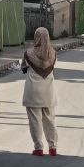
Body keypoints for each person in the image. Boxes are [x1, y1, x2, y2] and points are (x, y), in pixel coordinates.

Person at [22, 27, 58, 156]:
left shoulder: (28, 53)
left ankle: (38, 148)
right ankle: (53, 147)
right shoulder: (53, 53)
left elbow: (23, 68)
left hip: (33, 92)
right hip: (48, 92)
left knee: (35, 121)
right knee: (50, 120)